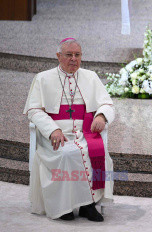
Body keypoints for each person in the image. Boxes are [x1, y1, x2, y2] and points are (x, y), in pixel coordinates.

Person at [23, 38, 115, 221]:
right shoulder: (43, 78)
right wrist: (52, 130)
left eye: (77, 55)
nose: (74, 59)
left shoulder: (90, 77)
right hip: (56, 136)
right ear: (58, 56)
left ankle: (87, 206)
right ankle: (63, 206)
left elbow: (107, 104)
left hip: (85, 133)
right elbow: (33, 110)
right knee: (67, 154)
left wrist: (101, 116)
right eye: (69, 55)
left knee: (95, 153)